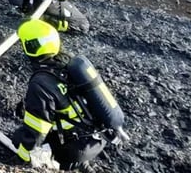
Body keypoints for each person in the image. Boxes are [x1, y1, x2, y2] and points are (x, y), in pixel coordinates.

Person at [11, 19, 124, 170]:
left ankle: (62, 164)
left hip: (75, 149)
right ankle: (81, 164)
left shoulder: (40, 83)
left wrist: (22, 159)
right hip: (98, 140)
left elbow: (36, 130)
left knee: (19, 138)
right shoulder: (68, 65)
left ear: (30, 47)